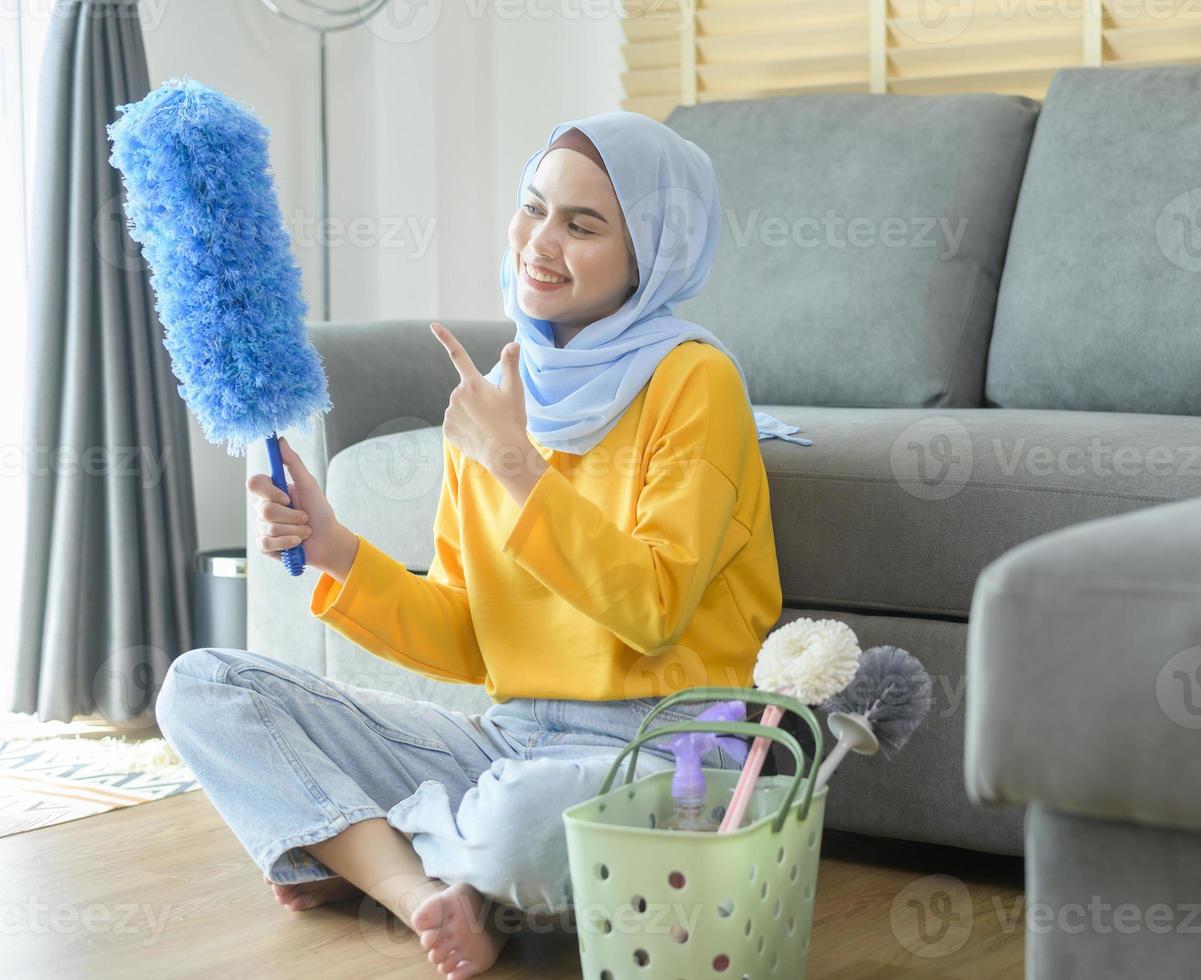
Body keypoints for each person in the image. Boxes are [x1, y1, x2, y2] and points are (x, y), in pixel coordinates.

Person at [154, 111, 809, 979]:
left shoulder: (695, 382)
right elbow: (468, 637)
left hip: (662, 745)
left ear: (649, 255)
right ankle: (421, 894)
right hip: (507, 741)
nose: (540, 241)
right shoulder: (502, 387)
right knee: (204, 687)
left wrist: (511, 460)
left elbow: (653, 609)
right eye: (532, 207)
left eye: (582, 225)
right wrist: (338, 550)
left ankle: (375, 846)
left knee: (521, 815)